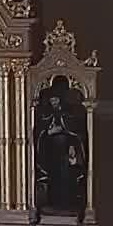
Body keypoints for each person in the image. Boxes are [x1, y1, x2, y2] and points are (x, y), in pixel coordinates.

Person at [35, 85, 87, 214]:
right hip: (53, 155)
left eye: (56, 100)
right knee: (54, 179)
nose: (54, 103)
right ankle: (53, 201)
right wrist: (49, 132)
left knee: (66, 179)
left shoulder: (69, 114)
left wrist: (69, 143)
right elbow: (41, 133)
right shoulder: (46, 115)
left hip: (65, 155)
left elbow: (76, 133)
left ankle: (66, 202)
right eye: (52, 101)